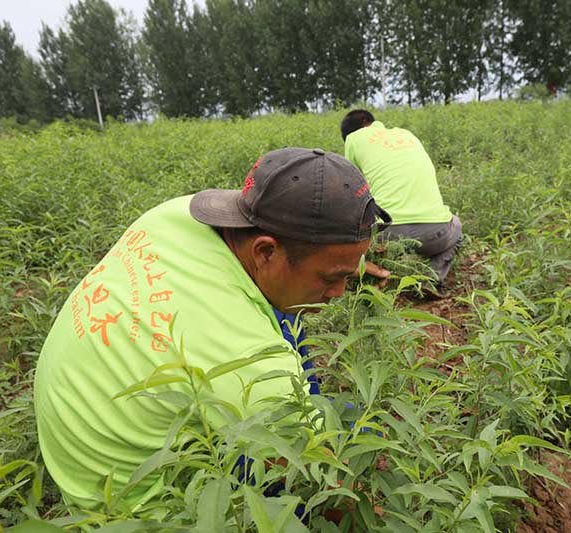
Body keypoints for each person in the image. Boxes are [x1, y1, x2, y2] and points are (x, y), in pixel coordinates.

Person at [33, 147, 391, 509]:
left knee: (287, 317)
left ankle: (309, 412)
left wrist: (337, 263)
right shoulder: (245, 360)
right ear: (266, 251)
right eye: (332, 277)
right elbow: (331, 491)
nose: (340, 293)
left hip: (80, 424)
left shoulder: (173, 215)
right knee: (352, 431)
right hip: (139, 508)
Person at [341, 110, 463, 290]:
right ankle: (431, 279)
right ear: (369, 121)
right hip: (437, 232)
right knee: (457, 226)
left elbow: (353, 187)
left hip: (386, 233)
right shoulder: (407, 135)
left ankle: (375, 279)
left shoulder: (354, 138)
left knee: (352, 228)